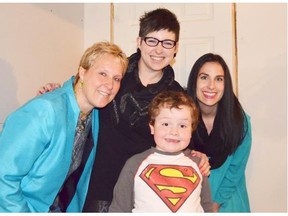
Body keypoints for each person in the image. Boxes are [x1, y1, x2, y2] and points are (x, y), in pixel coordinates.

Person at [37, 8, 210, 212]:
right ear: (139, 42)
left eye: (167, 43)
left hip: (145, 192)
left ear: (176, 48)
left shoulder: (177, 96)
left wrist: (197, 156)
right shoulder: (115, 75)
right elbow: (83, 91)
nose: (158, 49)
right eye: (152, 40)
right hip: (97, 184)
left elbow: (177, 136)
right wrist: (60, 93)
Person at [0, 41, 128, 212]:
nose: (110, 85)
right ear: (83, 72)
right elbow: (3, 177)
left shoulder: (95, 114)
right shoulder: (45, 110)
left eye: (116, 78)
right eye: (102, 73)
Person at [109, 90, 213, 213]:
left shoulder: (198, 164)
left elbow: (206, 207)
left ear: (192, 130)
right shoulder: (134, 164)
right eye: (166, 124)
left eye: (182, 126)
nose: (174, 131)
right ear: (152, 127)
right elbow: (119, 209)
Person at [186, 53, 252, 212]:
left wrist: (215, 204)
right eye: (204, 77)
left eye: (219, 79)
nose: (211, 86)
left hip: (228, 201)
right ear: (194, 81)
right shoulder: (180, 116)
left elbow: (236, 169)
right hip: (189, 200)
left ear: (226, 84)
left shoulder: (240, 121)